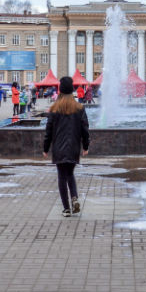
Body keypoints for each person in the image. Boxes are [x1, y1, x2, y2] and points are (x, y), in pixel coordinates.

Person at [43, 76, 91, 216]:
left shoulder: (54, 108)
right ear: (72, 90)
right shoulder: (79, 108)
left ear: (60, 90)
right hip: (74, 147)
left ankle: (66, 209)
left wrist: (46, 148)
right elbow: (85, 129)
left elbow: (49, 131)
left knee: (61, 177)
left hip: (58, 147)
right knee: (70, 174)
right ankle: (74, 197)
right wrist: (85, 146)